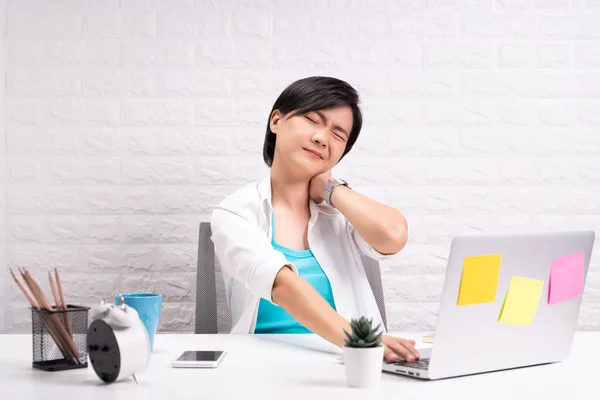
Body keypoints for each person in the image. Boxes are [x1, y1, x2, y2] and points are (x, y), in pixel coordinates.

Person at [210, 76, 420, 363]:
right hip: (262, 363)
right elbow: (282, 285)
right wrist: (361, 340)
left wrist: (333, 191)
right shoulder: (235, 212)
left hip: (350, 362)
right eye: (311, 119)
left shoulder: (340, 213)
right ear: (276, 121)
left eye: (338, 135)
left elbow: (393, 236)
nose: (322, 138)